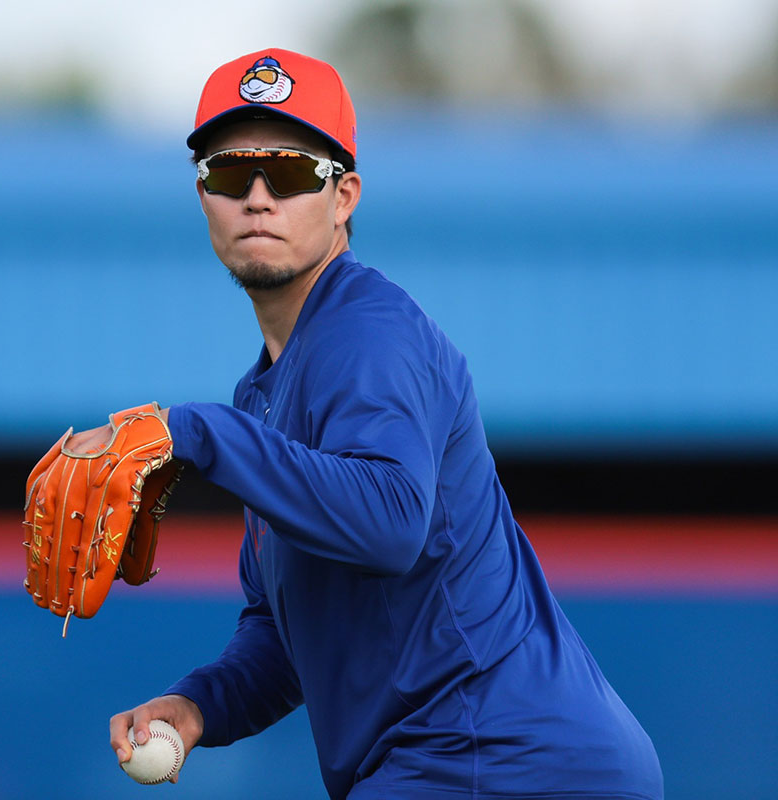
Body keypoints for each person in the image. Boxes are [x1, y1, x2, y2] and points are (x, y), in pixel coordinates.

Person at [97, 48, 663, 799]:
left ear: (344, 197)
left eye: (292, 172)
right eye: (232, 174)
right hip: (471, 760)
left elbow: (391, 522)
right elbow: (283, 635)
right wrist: (199, 704)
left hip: (502, 756)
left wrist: (199, 433)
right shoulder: (262, 392)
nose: (259, 198)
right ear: (204, 196)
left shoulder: (368, 332)